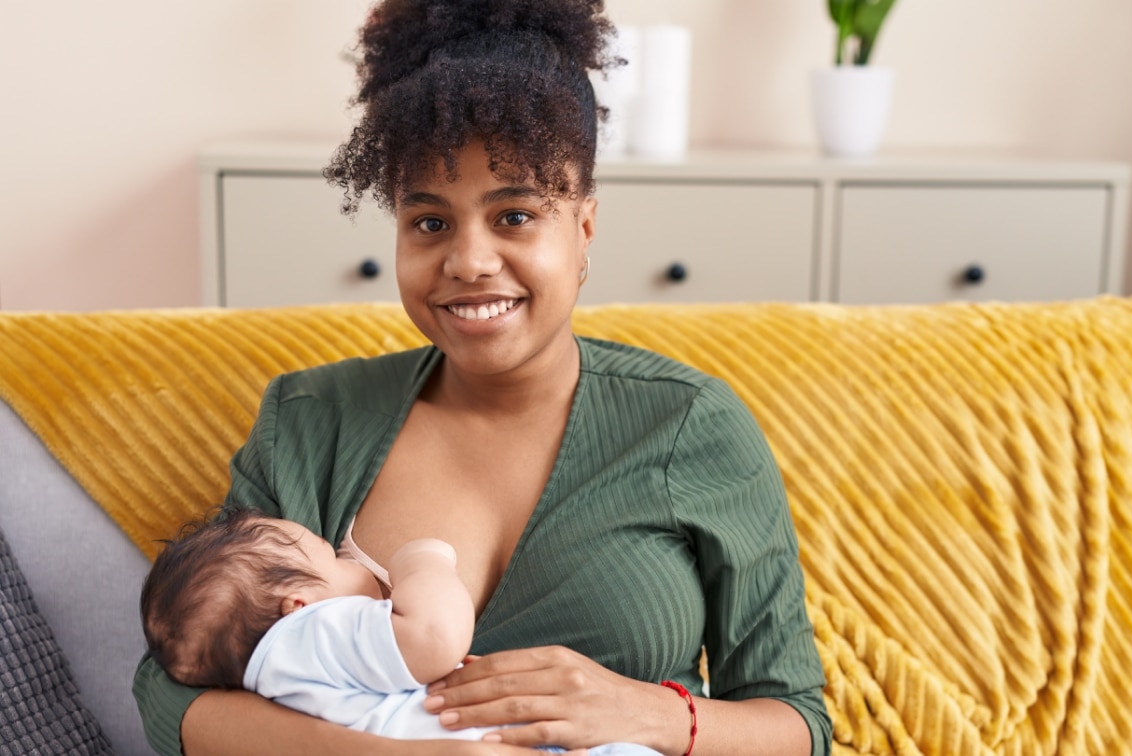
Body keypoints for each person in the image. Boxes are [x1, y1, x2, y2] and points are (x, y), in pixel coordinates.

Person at [132, 0, 832, 754]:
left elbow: (798, 724)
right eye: (429, 222)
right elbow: (172, 690)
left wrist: (645, 714)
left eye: (515, 216)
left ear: (584, 227)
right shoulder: (310, 418)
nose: (468, 261)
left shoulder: (690, 425)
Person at [139, 507, 660, 755]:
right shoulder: (309, 634)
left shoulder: (273, 678)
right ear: (298, 605)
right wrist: (423, 562)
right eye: (330, 554)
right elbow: (435, 636)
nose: (349, 558)